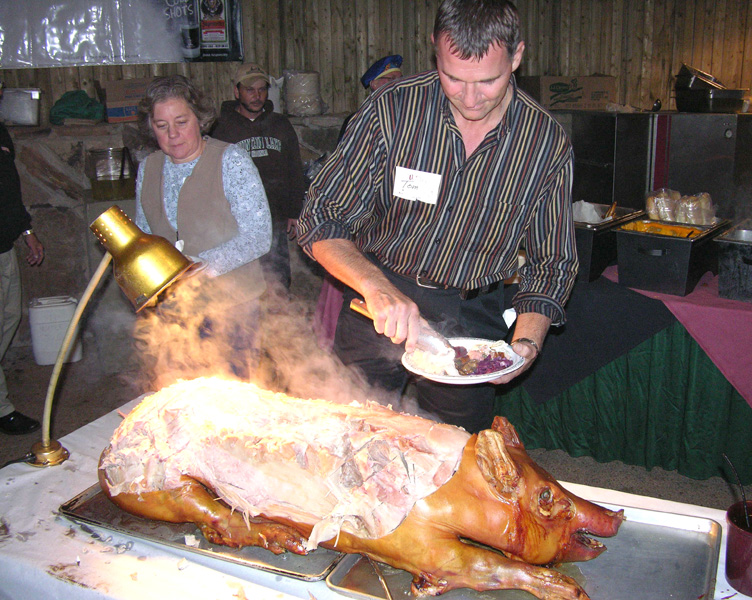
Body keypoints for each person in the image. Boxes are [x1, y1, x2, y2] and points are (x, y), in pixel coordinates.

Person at [297, 0, 578, 433]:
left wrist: (526, 341)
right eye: (453, 78)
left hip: (469, 316)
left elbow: (551, 262)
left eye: (488, 81)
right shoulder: (393, 110)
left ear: (517, 56)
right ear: (435, 51)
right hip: (379, 300)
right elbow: (321, 218)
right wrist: (377, 288)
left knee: (453, 453)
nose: (470, 98)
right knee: (350, 435)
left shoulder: (545, 142)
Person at [133, 74, 272, 380]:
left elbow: (259, 236)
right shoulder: (149, 169)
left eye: (181, 122)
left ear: (199, 118)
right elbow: (145, 238)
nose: (173, 135)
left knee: (232, 401)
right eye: (162, 126)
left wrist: (201, 266)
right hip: (174, 311)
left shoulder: (230, 160)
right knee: (181, 396)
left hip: (232, 309)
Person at [315, 55, 405, 350]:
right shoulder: (358, 121)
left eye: (398, 79)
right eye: (388, 81)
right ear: (373, 85)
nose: (396, 86)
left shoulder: (409, 122)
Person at [211, 63, 305, 290]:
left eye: (262, 89)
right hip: (235, 219)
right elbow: (213, 173)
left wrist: (295, 210)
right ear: (237, 92)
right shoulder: (221, 128)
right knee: (241, 280)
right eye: (250, 89)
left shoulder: (280, 124)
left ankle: (281, 318)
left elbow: (294, 166)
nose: (257, 96)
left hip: (275, 214)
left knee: (277, 276)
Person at [1, 83, 46, 435]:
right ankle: (2, 409)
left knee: (10, 317)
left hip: (4, 244)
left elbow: (7, 189)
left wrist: (26, 231)